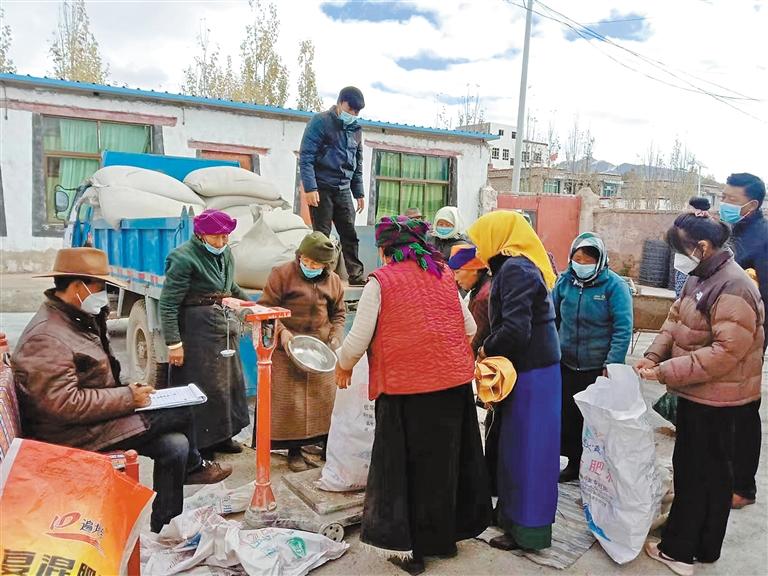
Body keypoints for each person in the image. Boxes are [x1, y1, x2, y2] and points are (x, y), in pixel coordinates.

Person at [11, 248, 232, 533]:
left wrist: (129, 390)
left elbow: (96, 377)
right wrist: (128, 398)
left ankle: (165, 529)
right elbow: (63, 404)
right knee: (182, 409)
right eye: (100, 287)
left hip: (94, 420)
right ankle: (194, 467)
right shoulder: (47, 336)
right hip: (69, 434)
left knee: (176, 445)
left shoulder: (77, 317)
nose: (104, 294)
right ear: (78, 287)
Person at [335, 216, 491, 575]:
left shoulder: (381, 281)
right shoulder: (444, 274)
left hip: (407, 392)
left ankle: (415, 553)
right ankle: (444, 541)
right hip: (453, 389)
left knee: (406, 471)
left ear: (385, 249)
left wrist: (343, 365)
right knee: (445, 466)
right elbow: (469, 328)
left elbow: (357, 339)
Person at [636, 211, 764, 575]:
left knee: (700, 475)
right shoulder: (701, 277)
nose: (677, 257)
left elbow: (726, 352)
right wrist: (653, 355)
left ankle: (679, 551)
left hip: (718, 399)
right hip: (699, 393)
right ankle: (703, 547)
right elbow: (674, 321)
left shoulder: (734, 286)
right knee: (701, 472)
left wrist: (665, 371)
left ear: (702, 247)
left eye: (680, 249)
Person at [467, 210, 561, 552]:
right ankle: (509, 515)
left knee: (529, 452)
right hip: (526, 369)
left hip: (534, 373)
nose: (476, 247)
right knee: (512, 447)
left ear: (497, 238)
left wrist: (485, 349)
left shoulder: (517, 270)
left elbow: (516, 329)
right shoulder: (510, 268)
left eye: (479, 240)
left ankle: (528, 531)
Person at [159, 209, 250, 459]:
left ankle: (223, 436)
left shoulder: (226, 253)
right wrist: (174, 343)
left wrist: (252, 307)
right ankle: (201, 444)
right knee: (203, 386)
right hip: (196, 331)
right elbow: (168, 304)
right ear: (200, 235)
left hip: (222, 327)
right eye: (215, 237)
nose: (221, 242)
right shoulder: (182, 258)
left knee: (227, 385)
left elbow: (229, 287)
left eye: (225, 237)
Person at [258, 231, 346, 472]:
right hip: (287, 346)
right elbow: (265, 309)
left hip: (319, 349)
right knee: (290, 404)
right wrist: (282, 333)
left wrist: (335, 335)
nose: (309, 266)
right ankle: (293, 451)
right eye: (305, 260)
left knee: (324, 401)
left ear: (326, 265)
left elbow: (339, 313)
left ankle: (323, 444)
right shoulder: (281, 274)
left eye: (315, 263)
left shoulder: (333, 281)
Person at [552, 232, 633, 482]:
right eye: (578, 259)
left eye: (588, 260)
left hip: (597, 367)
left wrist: (612, 363)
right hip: (566, 363)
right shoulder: (564, 282)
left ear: (600, 261)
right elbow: (552, 318)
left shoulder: (614, 286)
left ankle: (597, 468)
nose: (582, 264)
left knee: (595, 421)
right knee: (570, 416)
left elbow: (623, 327)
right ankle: (574, 463)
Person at [720, 172, 766, 510]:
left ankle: (743, 487)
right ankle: (724, 476)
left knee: (744, 410)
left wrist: (753, 343)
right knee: (722, 410)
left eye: (731, 200)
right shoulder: (731, 233)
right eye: (723, 197)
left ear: (752, 205)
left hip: (747, 338)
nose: (724, 204)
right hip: (723, 333)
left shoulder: (762, 239)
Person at [299, 86, 367, 285]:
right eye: (350, 109)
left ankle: (356, 275)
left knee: (349, 234)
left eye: (357, 112)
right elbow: (306, 157)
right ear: (340, 103)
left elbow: (357, 164)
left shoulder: (356, 130)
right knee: (321, 235)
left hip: (343, 189)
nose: (353, 114)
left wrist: (359, 193)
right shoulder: (320, 122)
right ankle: (319, 276)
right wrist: (310, 188)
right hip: (321, 187)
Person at [448, 243, 492, 357]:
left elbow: (475, 341)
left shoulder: (482, 297)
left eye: (457, 272)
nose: (455, 278)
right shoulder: (484, 288)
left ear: (474, 269)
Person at [674, 198, 712, 297]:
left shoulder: (689, 222)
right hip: (689, 267)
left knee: (683, 297)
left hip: (689, 268)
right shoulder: (709, 223)